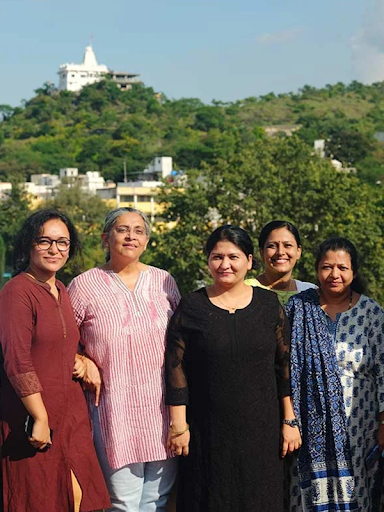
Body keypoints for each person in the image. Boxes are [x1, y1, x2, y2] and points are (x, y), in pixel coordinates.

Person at [165, 225, 301, 512]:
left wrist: (289, 421)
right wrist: (179, 426)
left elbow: (283, 366)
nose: (224, 265)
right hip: (207, 431)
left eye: (233, 257)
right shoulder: (192, 306)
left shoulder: (268, 305)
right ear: (208, 261)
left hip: (262, 431)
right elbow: (175, 368)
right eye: (217, 257)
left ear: (250, 261)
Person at [67, 207, 181, 512]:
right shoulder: (84, 285)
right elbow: (61, 337)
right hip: (113, 411)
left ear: (146, 241)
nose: (131, 236)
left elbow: (183, 341)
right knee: (122, 502)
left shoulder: (164, 281)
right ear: (106, 238)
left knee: (157, 500)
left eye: (139, 231)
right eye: (122, 229)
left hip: (163, 409)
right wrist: (81, 359)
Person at [0, 209, 111, 512]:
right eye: (45, 241)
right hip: (32, 416)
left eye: (62, 242)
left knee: (79, 498)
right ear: (28, 245)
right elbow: (17, 360)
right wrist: (39, 417)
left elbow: (62, 342)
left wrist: (81, 358)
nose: (54, 249)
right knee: (40, 499)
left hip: (71, 415)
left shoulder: (61, 288)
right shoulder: (17, 292)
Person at [286, 237, 384, 512]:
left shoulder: (371, 313)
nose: (334, 274)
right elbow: (283, 365)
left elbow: (383, 370)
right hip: (308, 422)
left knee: (357, 488)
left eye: (342, 267)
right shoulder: (298, 308)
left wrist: (383, 423)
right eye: (327, 267)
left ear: (354, 271)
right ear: (317, 270)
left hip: (359, 422)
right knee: (308, 494)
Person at [246, 220, 316, 305]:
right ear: (261, 252)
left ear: (298, 251)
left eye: (287, 245)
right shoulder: (246, 290)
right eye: (272, 246)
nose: (280, 252)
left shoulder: (311, 293)